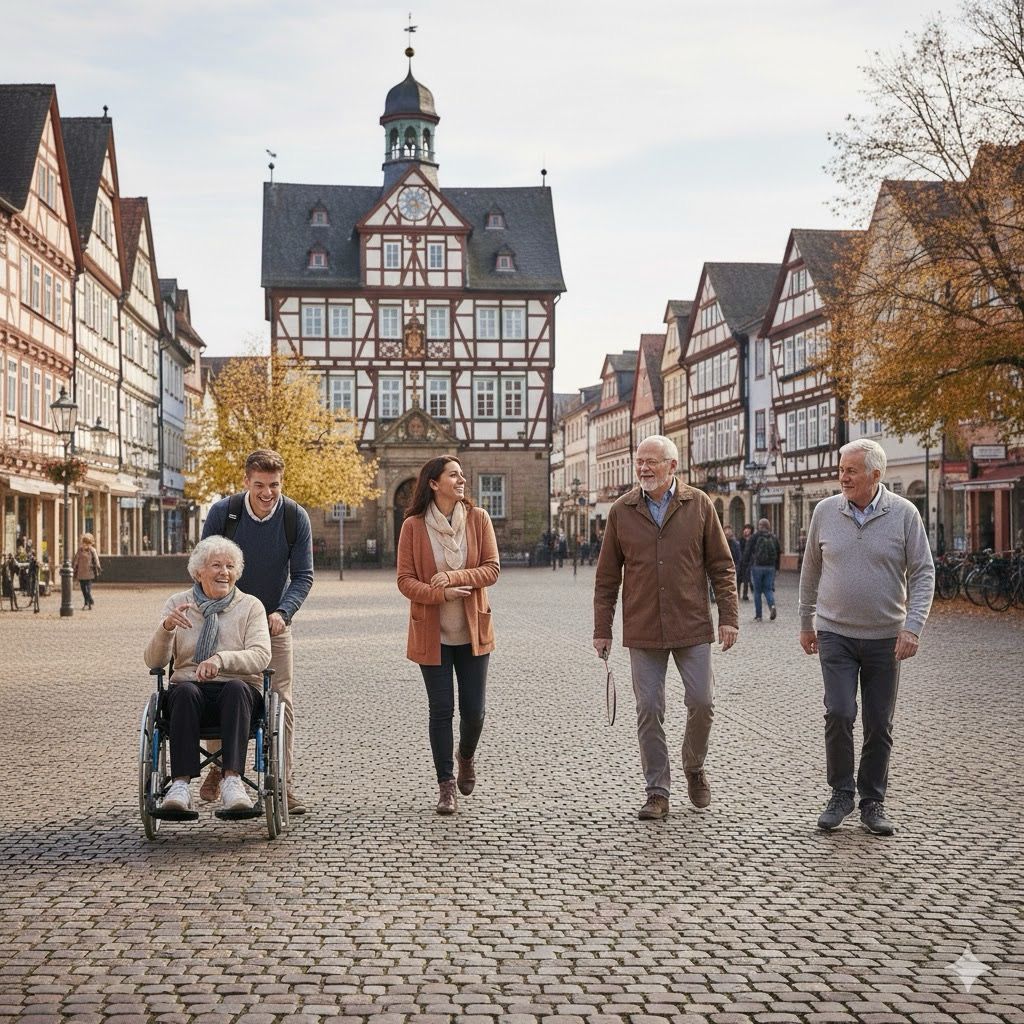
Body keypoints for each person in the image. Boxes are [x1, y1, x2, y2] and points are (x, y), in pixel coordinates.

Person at [593, 435, 739, 820]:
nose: (643, 468)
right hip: (643, 626)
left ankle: (693, 765)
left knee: (703, 702)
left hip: (691, 623)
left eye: (652, 461)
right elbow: (607, 577)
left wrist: (729, 617)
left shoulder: (699, 505)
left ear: (673, 466)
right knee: (649, 709)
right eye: (639, 461)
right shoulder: (622, 510)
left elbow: (722, 567)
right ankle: (657, 791)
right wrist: (602, 628)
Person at [799, 438, 934, 837]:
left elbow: (923, 572)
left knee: (879, 722)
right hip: (835, 633)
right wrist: (806, 621)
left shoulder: (905, 514)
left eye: (852, 470)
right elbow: (810, 571)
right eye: (841, 468)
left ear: (876, 475)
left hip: (885, 638)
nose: (843, 476)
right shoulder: (825, 512)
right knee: (839, 711)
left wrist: (913, 627)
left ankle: (872, 801)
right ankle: (841, 792)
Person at [201, 449, 313, 814]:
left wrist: (284, 611)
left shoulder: (294, 518)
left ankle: (284, 785)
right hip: (226, 618)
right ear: (247, 481)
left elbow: (303, 576)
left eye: (275, 485)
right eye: (260, 485)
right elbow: (203, 565)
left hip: (272, 623)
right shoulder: (223, 514)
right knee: (219, 691)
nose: (268, 493)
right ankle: (219, 768)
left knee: (282, 700)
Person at [396, 455, 500, 815]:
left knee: (474, 712)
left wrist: (454, 578)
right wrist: (438, 594)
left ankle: (466, 755)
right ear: (434, 483)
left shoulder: (478, 519)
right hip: (432, 634)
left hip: (473, 631)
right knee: (441, 710)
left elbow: (492, 569)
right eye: (453, 475)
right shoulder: (412, 527)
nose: (461, 481)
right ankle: (446, 785)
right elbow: (405, 581)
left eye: (461, 475)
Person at [145, 536, 272, 813]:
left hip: (237, 694)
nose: (224, 572)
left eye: (229, 566)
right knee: (185, 691)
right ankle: (179, 786)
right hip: (188, 692)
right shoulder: (178, 603)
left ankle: (232, 782)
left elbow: (262, 655)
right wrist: (166, 629)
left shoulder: (251, 606)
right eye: (216, 565)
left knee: (237, 689)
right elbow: (154, 661)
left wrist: (222, 659)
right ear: (198, 571)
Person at [749, 518, 781, 622]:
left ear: (760, 526)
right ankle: (772, 606)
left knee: (757, 591)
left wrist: (745, 564)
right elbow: (778, 553)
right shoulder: (773, 537)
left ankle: (758, 616)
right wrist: (777, 568)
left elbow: (748, 550)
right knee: (768, 589)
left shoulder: (755, 536)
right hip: (770, 567)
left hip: (757, 567)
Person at [72, 533, 101, 610]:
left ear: (89, 544)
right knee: (83, 589)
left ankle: (86, 603)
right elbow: (76, 560)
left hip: (89, 572)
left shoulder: (92, 550)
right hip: (81, 573)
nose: (84, 545)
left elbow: (96, 560)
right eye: (83, 543)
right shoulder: (79, 550)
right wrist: (73, 568)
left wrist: (98, 567)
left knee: (88, 589)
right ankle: (90, 600)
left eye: (87, 543)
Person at [737, 524, 754, 601]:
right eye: (745, 529)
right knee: (738, 579)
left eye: (748, 529)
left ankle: (745, 594)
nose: (746, 530)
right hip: (740, 562)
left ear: (751, 530)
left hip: (748, 562)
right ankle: (737, 594)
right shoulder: (741, 539)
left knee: (746, 579)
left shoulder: (752, 540)